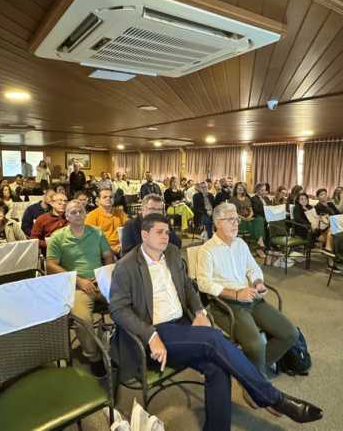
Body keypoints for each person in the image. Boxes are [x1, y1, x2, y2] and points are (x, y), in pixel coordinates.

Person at [109, 214, 324, 430]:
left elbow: (188, 288)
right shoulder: (126, 266)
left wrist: (200, 311)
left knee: (217, 368)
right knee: (213, 339)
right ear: (144, 235)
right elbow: (118, 310)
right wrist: (150, 335)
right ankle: (273, 397)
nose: (166, 237)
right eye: (159, 232)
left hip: (183, 326)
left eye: (167, 232)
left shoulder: (173, 254)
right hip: (155, 334)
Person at [197, 203, 299, 378]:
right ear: (217, 223)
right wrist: (236, 294)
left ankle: (249, 371)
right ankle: (257, 382)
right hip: (227, 305)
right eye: (230, 219)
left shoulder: (240, 244)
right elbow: (204, 283)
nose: (236, 223)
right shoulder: (207, 250)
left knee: (290, 333)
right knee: (256, 345)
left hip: (252, 298)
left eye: (236, 219)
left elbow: (253, 269)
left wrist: (258, 282)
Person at [47, 200, 115, 377]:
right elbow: (50, 265)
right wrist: (78, 280)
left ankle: (121, 347)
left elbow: (108, 256)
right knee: (82, 318)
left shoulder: (97, 233)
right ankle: (94, 357)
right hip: (77, 286)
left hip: (100, 282)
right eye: (73, 212)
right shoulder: (58, 237)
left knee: (129, 302)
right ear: (67, 216)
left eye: (80, 211)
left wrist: (103, 275)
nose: (77, 215)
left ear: (86, 214)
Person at [85, 188, 127, 254]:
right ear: (98, 200)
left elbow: (129, 229)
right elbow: (90, 239)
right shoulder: (92, 215)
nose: (108, 199)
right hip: (103, 250)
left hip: (122, 247)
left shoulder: (120, 213)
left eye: (111, 197)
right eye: (105, 197)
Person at [230, 182, 267, 258]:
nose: (240, 189)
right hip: (238, 218)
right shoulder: (232, 199)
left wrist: (249, 216)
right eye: (238, 188)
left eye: (242, 188)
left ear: (244, 190)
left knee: (259, 219)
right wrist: (244, 218)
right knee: (243, 221)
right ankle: (257, 248)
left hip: (248, 217)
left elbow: (251, 210)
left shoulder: (247, 198)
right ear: (236, 189)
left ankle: (260, 240)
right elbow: (233, 212)